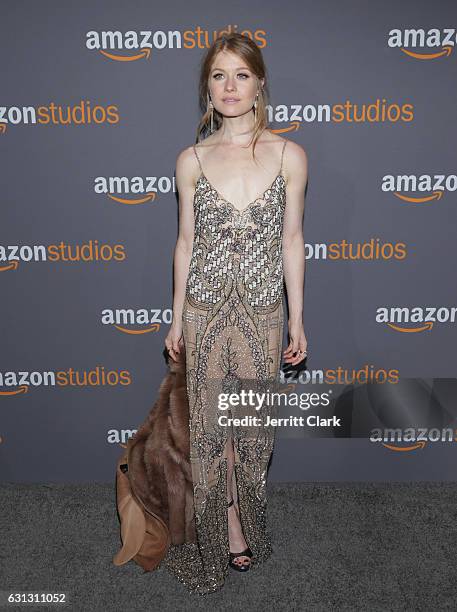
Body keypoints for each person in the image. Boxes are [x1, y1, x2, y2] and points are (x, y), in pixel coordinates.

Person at [163, 32, 308, 594]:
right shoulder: (191, 159)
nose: (229, 86)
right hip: (203, 312)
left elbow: (293, 239)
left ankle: (246, 514)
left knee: (251, 431)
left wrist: (297, 319)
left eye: (241, 75)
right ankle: (225, 527)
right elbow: (184, 244)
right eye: (219, 75)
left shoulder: (289, 155)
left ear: (259, 84)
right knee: (209, 431)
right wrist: (176, 319)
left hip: (262, 315)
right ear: (208, 85)